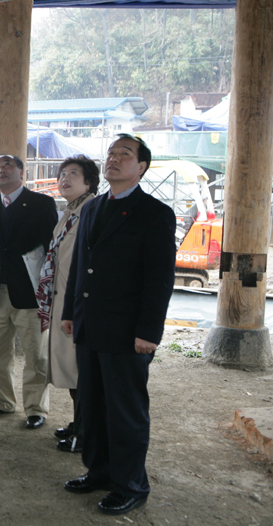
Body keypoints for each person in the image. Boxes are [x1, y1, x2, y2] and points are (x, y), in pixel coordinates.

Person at [61, 134, 176, 515]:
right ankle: (99, 471)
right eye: (111, 153)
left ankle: (131, 483)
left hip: (128, 332)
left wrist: (149, 332)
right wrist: (69, 312)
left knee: (125, 410)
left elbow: (159, 279)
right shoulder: (92, 208)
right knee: (91, 406)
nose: (114, 159)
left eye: (124, 154)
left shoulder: (155, 214)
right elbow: (79, 266)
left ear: (141, 167)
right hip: (90, 326)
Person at [0, 154, 58, 429]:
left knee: (36, 354)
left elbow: (51, 247)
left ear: (22, 172)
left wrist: (50, 287)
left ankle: (36, 408)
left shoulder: (42, 204)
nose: (1, 170)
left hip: (30, 292)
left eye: (8, 165)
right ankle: (2, 401)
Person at [35, 156, 99, 452]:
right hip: (63, 300)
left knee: (82, 371)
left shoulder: (93, 209)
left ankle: (87, 434)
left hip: (79, 304)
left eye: (74, 173)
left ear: (89, 182)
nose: (65, 178)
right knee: (73, 370)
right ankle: (79, 423)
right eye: (62, 174)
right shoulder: (70, 212)